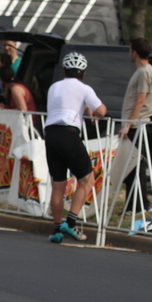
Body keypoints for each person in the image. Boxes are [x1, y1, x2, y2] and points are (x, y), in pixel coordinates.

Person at [44, 51, 107, 244]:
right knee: (86, 180)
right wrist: (90, 109)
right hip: (69, 133)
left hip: (50, 133)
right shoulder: (84, 88)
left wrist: (84, 107)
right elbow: (102, 111)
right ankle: (70, 223)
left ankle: (56, 230)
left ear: (64, 70)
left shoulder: (54, 87)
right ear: (84, 73)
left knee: (57, 185)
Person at [119, 37, 152, 211]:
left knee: (135, 165)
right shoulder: (145, 71)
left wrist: (128, 123)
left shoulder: (144, 72)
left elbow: (140, 99)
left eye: (129, 50)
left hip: (138, 125)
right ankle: (136, 203)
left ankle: (139, 204)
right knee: (133, 165)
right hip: (137, 124)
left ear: (134, 52)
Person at [0, 64, 40, 134]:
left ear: (1, 79)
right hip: (24, 123)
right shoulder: (13, 87)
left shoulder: (16, 89)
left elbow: (22, 109)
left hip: (29, 125)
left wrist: (4, 110)